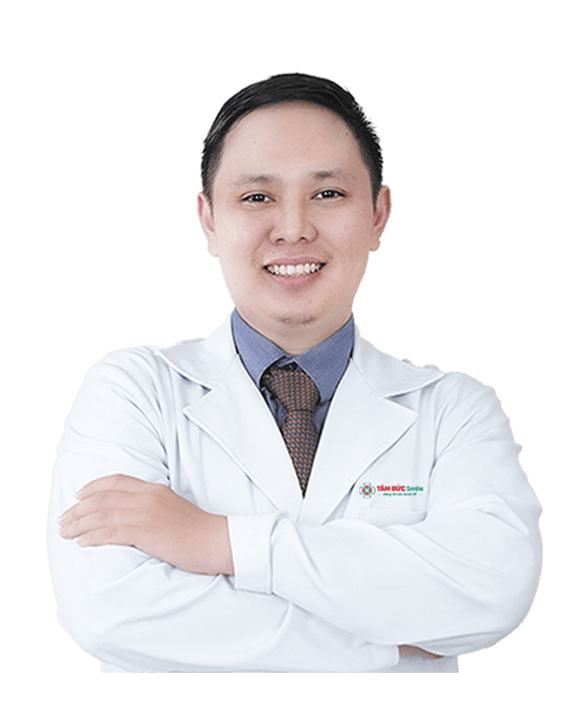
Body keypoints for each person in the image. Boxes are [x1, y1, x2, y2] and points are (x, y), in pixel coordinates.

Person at [47, 72, 542, 674]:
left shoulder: (455, 409)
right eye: (257, 197)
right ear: (208, 220)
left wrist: (217, 541)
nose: (293, 228)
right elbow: (109, 612)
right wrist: (391, 645)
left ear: (379, 215)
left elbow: (492, 589)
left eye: (327, 194)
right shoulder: (133, 390)